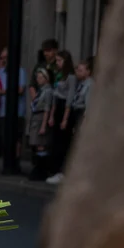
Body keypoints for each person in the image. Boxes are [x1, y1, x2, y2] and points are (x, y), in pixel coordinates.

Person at [46, 49, 77, 185]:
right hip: (57, 106)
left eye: (60, 60)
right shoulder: (59, 75)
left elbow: (69, 97)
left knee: (63, 141)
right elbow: (55, 94)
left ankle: (63, 172)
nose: (57, 63)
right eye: (57, 60)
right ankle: (55, 169)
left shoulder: (71, 77)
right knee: (56, 140)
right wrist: (52, 115)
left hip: (65, 108)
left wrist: (65, 118)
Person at [0, 47, 26, 161]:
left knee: (16, 137)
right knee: (4, 136)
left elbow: (20, 89)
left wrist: (4, 92)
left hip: (17, 110)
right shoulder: (0, 72)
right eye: (2, 58)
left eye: (6, 58)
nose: (4, 60)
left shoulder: (20, 71)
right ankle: (7, 158)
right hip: (3, 110)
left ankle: (16, 160)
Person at [27, 68, 54, 181]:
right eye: (37, 77)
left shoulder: (48, 91)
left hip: (41, 117)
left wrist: (44, 125)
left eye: (41, 77)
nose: (38, 80)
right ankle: (39, 168)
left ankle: (42, 169)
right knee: (37, 144)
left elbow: (47, 107)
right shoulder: (41, 90)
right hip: (35, 117)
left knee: (41, 144)